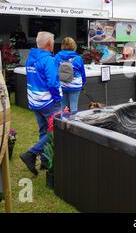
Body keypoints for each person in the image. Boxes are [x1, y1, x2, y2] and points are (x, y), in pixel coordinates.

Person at [20, 31, 62, 176]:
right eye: (53, 41)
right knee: (56, 130)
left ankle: (45, 161)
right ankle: (31, 154)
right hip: (49, 102)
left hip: (35, 101)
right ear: (49, 44)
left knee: (44, 131)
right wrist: (57, 98)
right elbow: (52, 82)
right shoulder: (48, 60)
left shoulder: (30, 58)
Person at [55, 37, 86, 113]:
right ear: (73, 45)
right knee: (74, 106)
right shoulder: (78, 58)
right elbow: (83, 74)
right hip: (75, 85)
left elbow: (54, 71)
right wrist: (82, 84)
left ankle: (63, 123)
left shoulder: (57, 56)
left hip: (62, 84)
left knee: (63, 106)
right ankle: (73, 123)